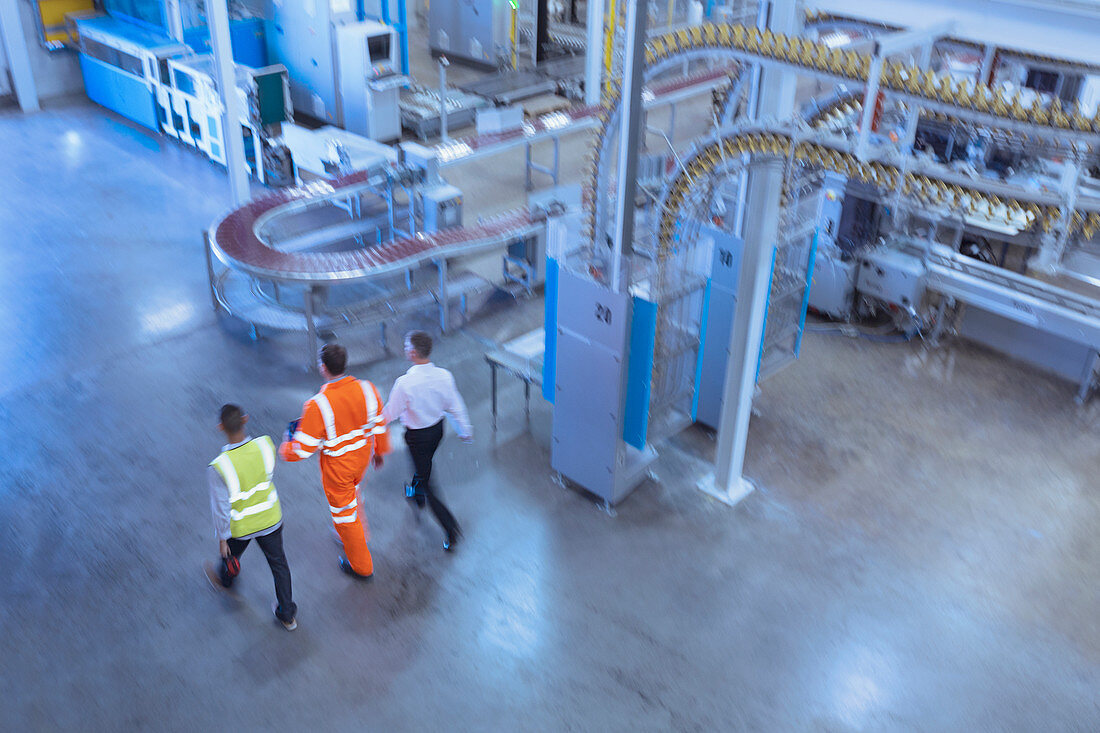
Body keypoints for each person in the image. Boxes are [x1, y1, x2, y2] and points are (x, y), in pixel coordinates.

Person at [280, 343, 390, 579]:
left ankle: (361, 566)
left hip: (338, 471)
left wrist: (285, 447)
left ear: (323, 367)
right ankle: (357, 533)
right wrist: (379, 451)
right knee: (354, 492)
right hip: (362, 459)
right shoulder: (368, 389)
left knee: (345, 517)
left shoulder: (317, 405)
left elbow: (302, 450)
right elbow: (379, 423)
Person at [204, 404, 298, 631]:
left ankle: (225, 581)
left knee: (231, 556)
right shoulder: (266, 445)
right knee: (279, 566)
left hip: (241, 526)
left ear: (220, 427)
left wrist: (223, 537)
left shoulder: (219, 466)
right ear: (245, 419)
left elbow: (220, 507)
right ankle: (287, 615)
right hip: (270, 519)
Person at [382, 331, 472, 552]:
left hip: (417, 437)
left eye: (405, 346)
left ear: (412, 353)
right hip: (437, 432)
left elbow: (390, 413)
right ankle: (415, 492)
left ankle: (451, 528)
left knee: (429, 481)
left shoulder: (404, 383)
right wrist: (465, 429)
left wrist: (369, 426)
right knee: (423, 466)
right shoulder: (444, 376)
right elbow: (455, 404)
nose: (404, 349)